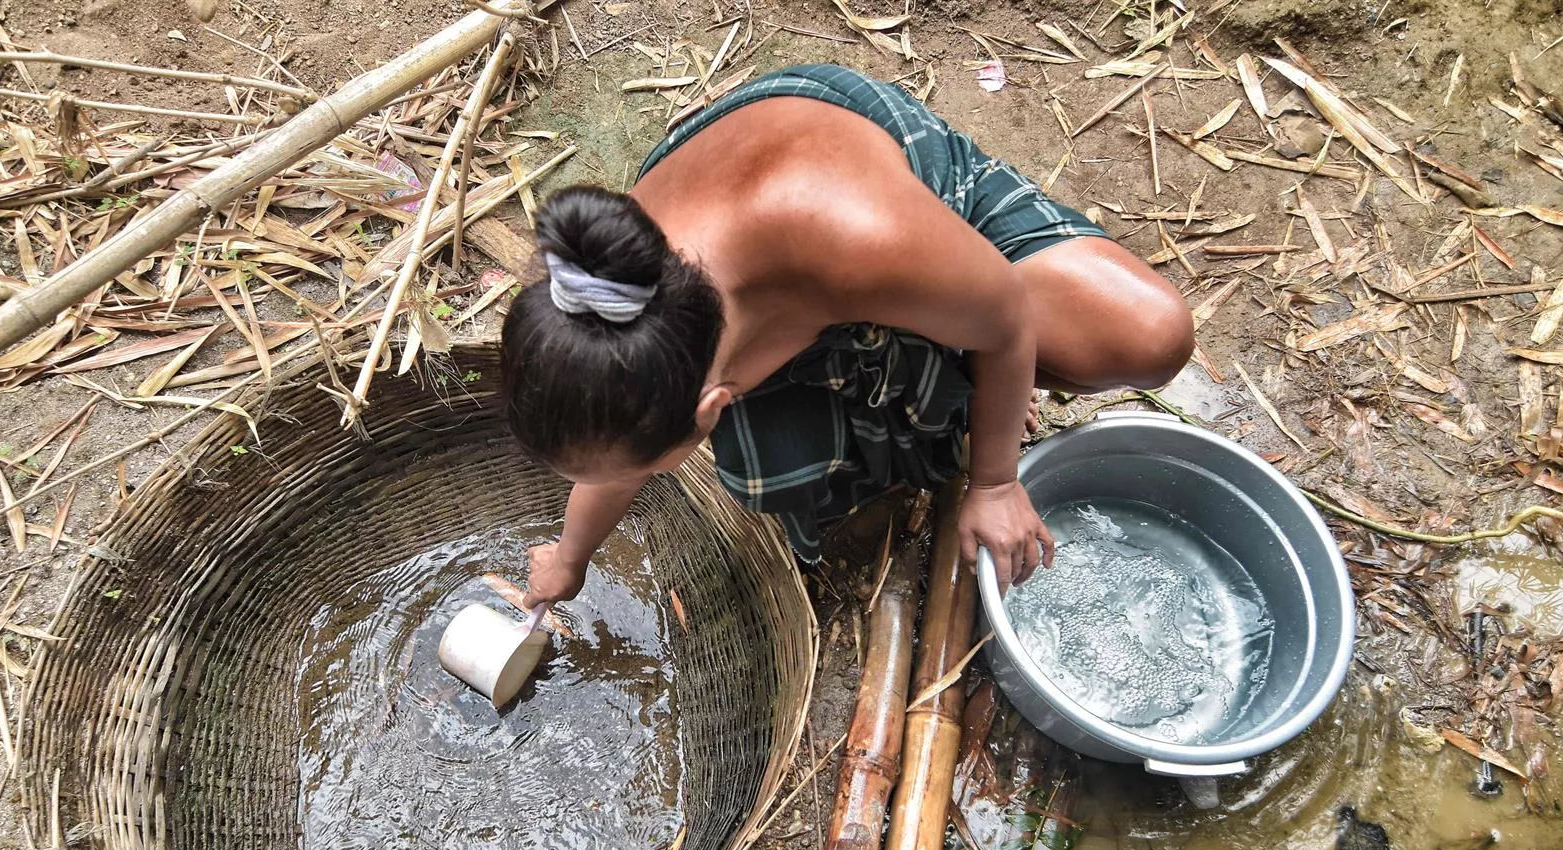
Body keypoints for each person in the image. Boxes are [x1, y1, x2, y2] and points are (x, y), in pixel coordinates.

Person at [501, 63, 1194, 606]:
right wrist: (568, 557)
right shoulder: (615, 307)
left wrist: (994, 480)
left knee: (1149, 339)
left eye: (652, 464)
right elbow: (615, 458)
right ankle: (949, 356)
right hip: (777, 232)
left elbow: (1007, 317)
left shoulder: (861, 240)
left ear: (714, 404)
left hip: (845, 168)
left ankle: (958, 353)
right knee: (777, 467)